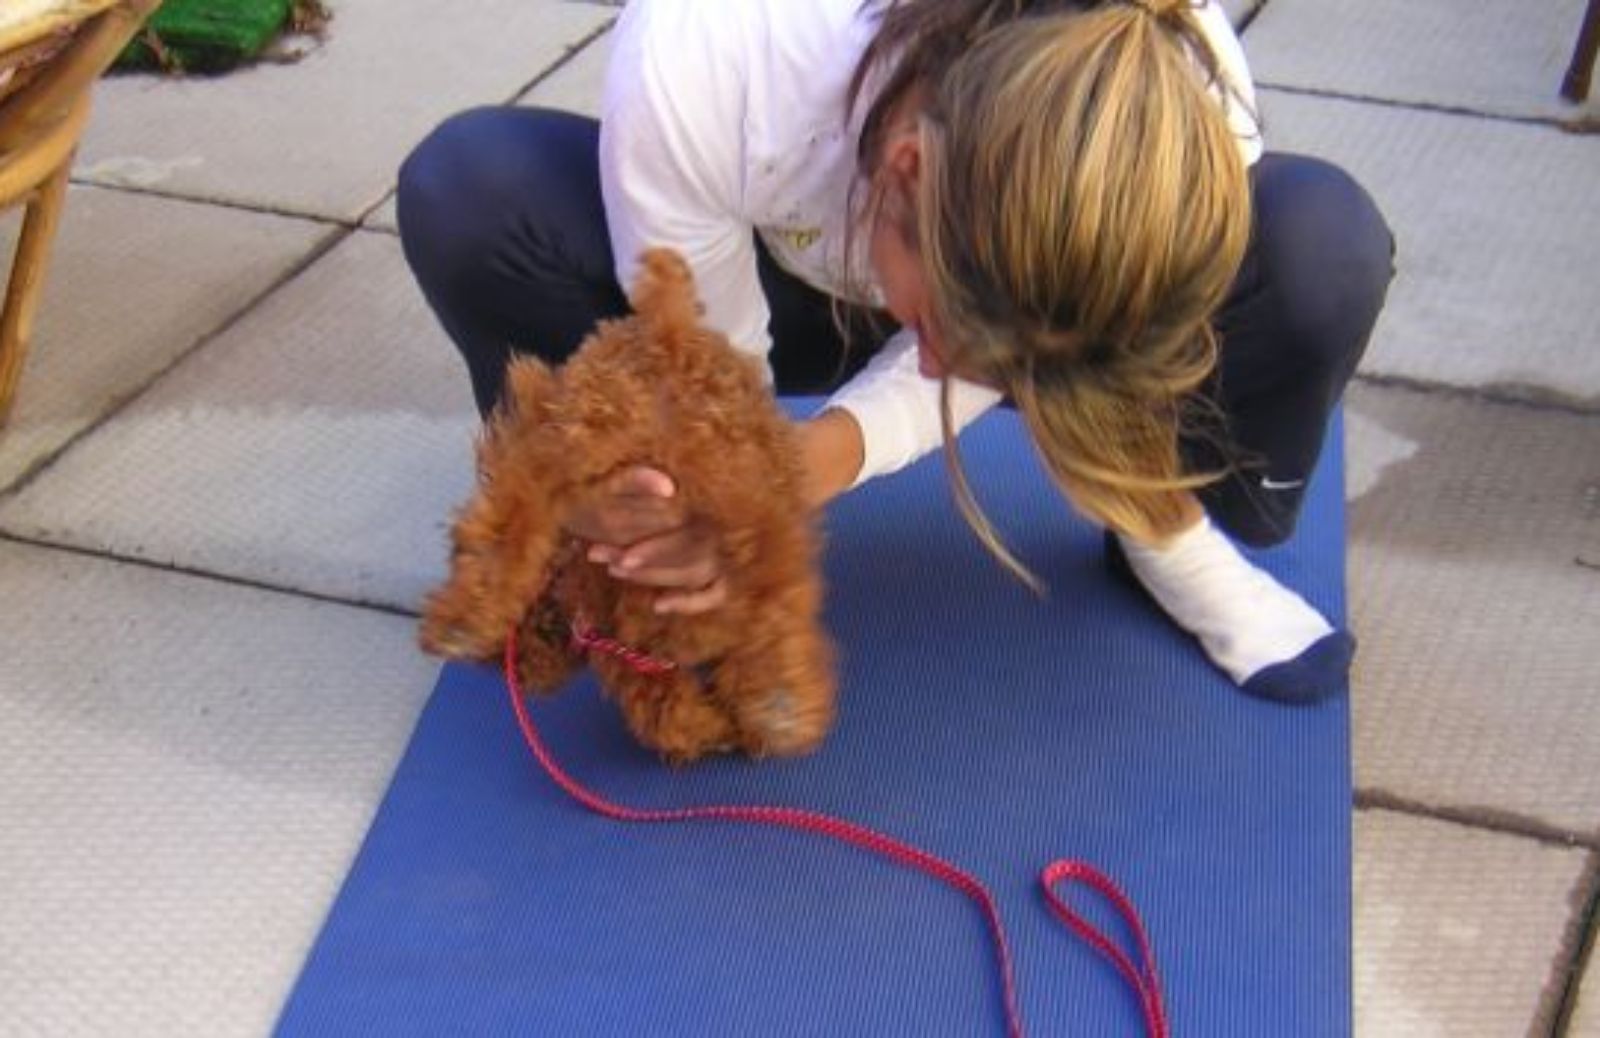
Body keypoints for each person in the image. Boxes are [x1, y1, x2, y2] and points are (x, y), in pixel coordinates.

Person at [396, 0, 1393, 703]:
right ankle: (569, 517)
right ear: (905, 163)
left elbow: (1041, 333)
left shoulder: (1167, 81)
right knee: (470, 191)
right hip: (774, 267)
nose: (975, 373)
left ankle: (1157, 529)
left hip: (932, 249)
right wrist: (705, 493)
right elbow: (710, 378)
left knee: (1320, 244)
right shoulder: (711, 50)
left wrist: (813, 464)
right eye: (982, 345)